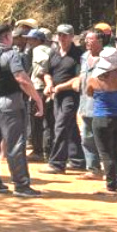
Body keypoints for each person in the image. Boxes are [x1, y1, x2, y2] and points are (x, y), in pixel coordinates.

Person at [0, 23, 44, 197]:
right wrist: (37, 98)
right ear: (7, 37)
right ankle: (21, 185)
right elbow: (21, 79)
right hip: (11, 104)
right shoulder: (10, 54)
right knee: (15, 145)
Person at [85, 50, 117, 196]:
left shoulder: (95, 79)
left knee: (106, 153)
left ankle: (110, 187)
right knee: (116, 151)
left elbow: (89, 93)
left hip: (102, 117)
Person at [42, 25, 84, 174]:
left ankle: (57, 163)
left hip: (70, 96)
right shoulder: (54, 53)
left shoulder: (79, 54)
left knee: (61, 126)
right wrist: (49, 84)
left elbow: (80, 77)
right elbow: (46, 72)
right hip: (56, 95)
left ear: (72, 36)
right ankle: (78, 160)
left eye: (65, 35)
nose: (62, 38)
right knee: (70, 126)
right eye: (60, 35)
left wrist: (60, 87)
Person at [76, 30, 114, 179]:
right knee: (86, 137)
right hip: (85, 103)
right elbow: (82, 76)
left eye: (90, 39)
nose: (87, 42)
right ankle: (93, 169)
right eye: (86, 39)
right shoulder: (84, 57)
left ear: (100, 41)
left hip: (101, 105)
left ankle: (110, 170)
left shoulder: (108, 58)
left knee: (104, 139)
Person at [27, 30, 52, 162]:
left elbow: (41, 65)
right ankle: (47, 149)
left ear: (38, 40)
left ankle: (38, 151)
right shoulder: (50, 49)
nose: (29, 42)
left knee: (36, 120)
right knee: (47, 120)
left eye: (31, 39)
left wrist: (39, 74)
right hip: (47, 88)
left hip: (38, 88)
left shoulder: (38, 50)